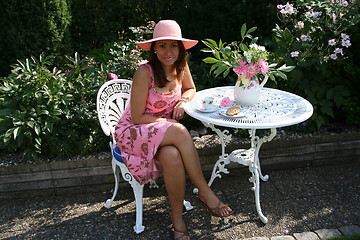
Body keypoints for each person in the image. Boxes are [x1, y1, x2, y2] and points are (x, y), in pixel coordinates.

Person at [114, 20, 232, 240]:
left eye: (173, 45)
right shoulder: (144, 72)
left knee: (172, 155)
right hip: (135, 130)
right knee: (179, 130)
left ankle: (177, 218)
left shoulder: (181, 66)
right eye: (162, 46)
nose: (168, 51)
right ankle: (205, 192)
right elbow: (137, 116)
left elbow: (191, 88)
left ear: (180, 47)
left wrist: (182, 102)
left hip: (162, 131)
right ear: (154, 49)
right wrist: (169, 123)